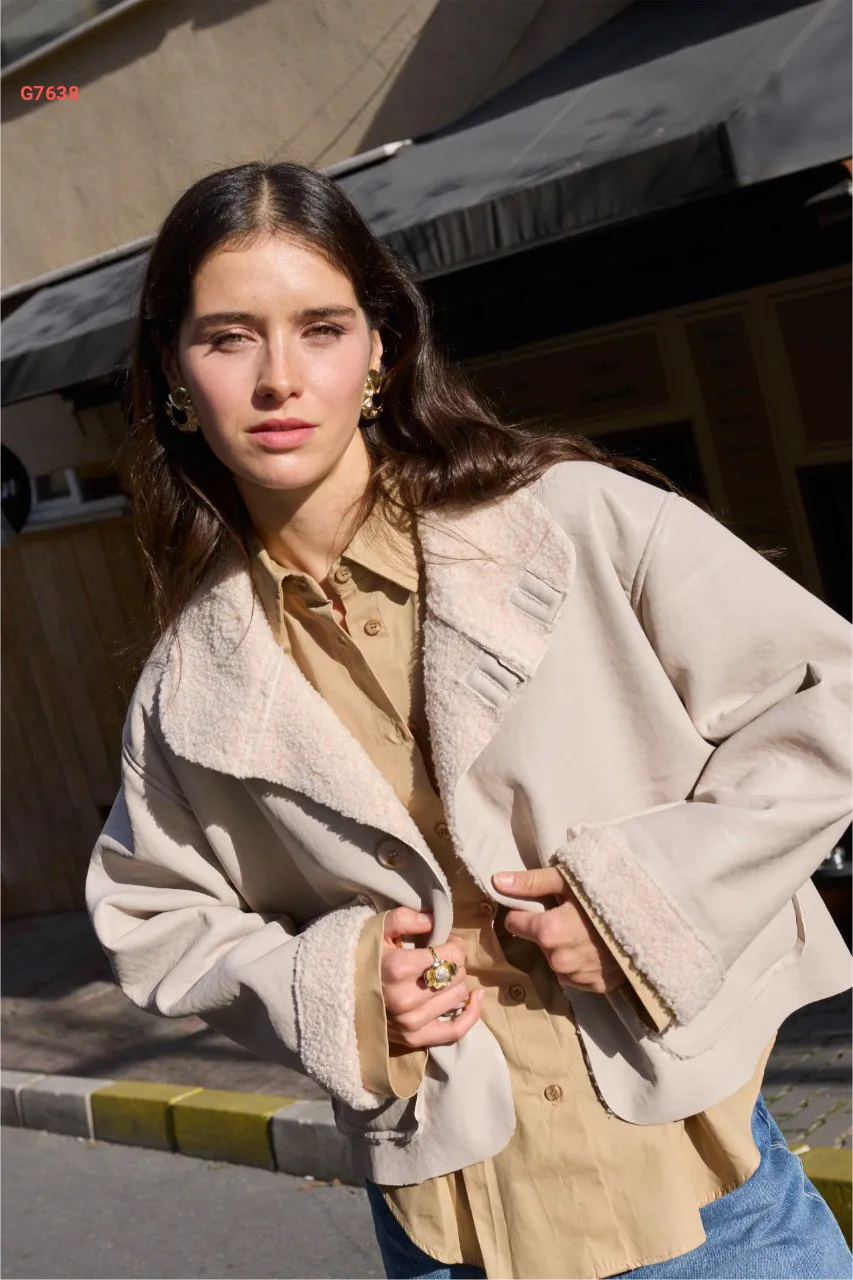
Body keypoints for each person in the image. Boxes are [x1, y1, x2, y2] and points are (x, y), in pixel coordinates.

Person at [86, 160, 853, 1280]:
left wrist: (647, 903)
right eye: (229, 338)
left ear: (381, 349)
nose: (279, 378)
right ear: (173, 370)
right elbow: (150, 912)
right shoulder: (188, 684)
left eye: (321, 328)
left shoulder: (575, 521)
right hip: (449, 1231)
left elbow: (827, 696)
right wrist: (341, 986)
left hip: (705, 1203)